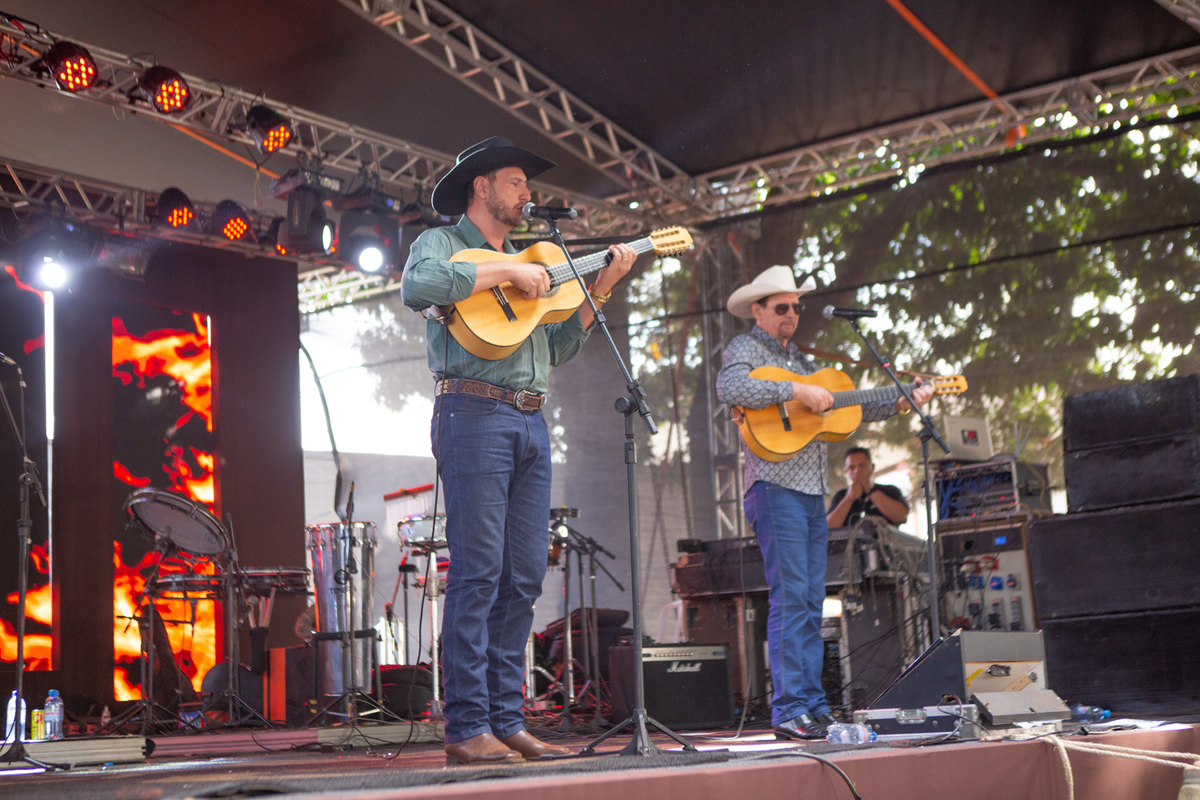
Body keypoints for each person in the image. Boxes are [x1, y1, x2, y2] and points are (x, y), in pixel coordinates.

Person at [401, 137, 635, 765]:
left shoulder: (533, 263)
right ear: (481, 187)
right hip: (472, 413)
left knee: (523, 575)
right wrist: (506, 272)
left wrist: (601, 288)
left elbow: (555, 349)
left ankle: (506, 722)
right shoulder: (442, 243)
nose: (527, 193)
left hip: (531, 421)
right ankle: (466, 727)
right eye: (515, 181)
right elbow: (417, 286)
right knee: (478, 571)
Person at [715, 265, 933, 740]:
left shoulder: (800, 358)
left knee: (812, 601)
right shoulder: (745, 348)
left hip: (812, 493)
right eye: (781, 307)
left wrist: (900, 401)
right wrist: (797, 389)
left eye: (796, 307)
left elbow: (848, 405)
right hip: (774, 487)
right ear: (758, 310)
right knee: (792, 597)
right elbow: (731, 388)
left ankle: (813, 706)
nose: (791, 314)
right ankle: (789, 709)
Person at [826, 447, 909, 528]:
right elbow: (827, 527)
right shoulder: (841, 496)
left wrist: (870, 490)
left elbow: (902, 517)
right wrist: (848, 499)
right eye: (852, 468)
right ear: (847, 471)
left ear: (872, 467)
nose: (857, 471)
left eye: (862, 466)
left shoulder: (889, 490)